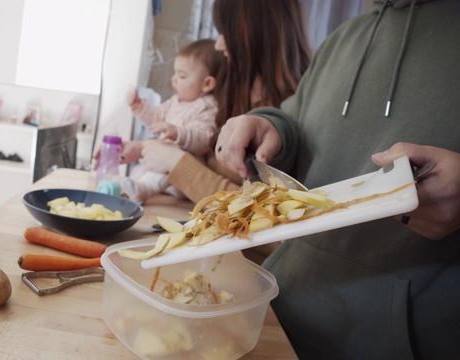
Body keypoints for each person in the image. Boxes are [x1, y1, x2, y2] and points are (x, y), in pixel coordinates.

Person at [214, 0, 460, 358]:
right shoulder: (343, 37)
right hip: (279, 308)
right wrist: (269, 125)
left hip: (397, 342)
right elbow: (296, 121)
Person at [104, 0, 311, 208]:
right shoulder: (231, 91)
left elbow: (260, 209)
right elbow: (200, 146)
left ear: (259, 35)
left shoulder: (291, 117)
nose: (219, 44)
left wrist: (176, 163)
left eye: (227, 32)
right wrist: (142, 148)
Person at [113, 39, 224, 203]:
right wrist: (138, 105)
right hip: (165, 175)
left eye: (182, 76)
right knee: (139, 169)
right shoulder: (175, 101)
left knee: (162, 168)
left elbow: (204, 139)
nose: (174, 80)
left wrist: (177, 132)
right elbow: (157, 116)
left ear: (207, 84)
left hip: (185, 173)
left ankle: (143, 189)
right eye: (175, 74)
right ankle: (132, 188)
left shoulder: (207, 106)